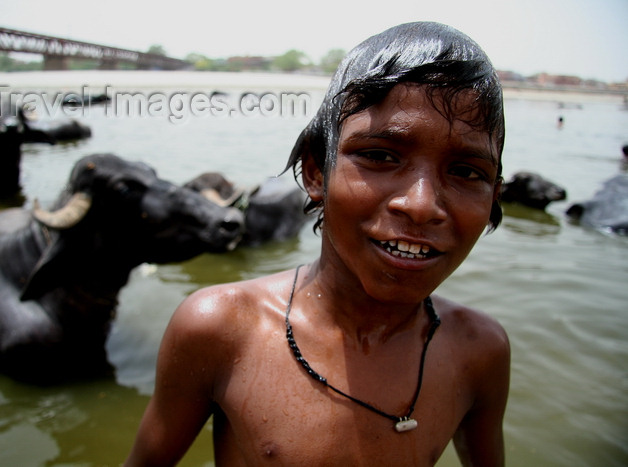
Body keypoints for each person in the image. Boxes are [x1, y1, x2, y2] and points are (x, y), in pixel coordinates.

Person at [125, 21, 510, 466]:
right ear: (315, 172)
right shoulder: (220, 330)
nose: (422, 206)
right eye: (380, 156)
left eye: (466, 172)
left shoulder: (479, 351)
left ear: (494, 197)